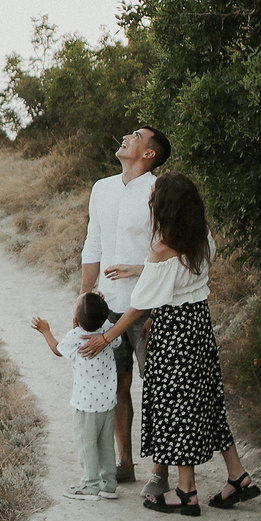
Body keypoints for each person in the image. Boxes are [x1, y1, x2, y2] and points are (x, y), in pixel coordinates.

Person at [80, 172, 258, 515]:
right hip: (198, 324)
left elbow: (139, 306)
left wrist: (106, 336)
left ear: (165, 207)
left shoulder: (163, 248)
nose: (150, 202)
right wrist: (141, 271)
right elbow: (180, 281)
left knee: (174, 406)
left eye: (154, 198)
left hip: (173, 329)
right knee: (207, 399)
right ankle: (236, 474)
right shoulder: (202, 237)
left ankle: (186, 491)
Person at [78, 126, 167, 485]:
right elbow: (93, 242)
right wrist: (85, 296)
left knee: (158, 387)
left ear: (149, 153)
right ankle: (125, 464)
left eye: (136, 135)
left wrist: (156, 301)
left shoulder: (159, 190)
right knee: (116, 386)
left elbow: (169, 252)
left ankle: (161, 471)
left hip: (147, 307)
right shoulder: (103, 188)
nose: (126, 137)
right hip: (108, 306)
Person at [32, 292, 121, 501]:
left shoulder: (75, 337)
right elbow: (113, 338)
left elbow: (57, 350)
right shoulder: (108, 330)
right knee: (106, 443)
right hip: (108, 401)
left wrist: (46, 331)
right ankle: (109, 484)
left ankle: (90, 485)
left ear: (75, 320)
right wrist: (97, 306)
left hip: (86, 404)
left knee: (86, 443)